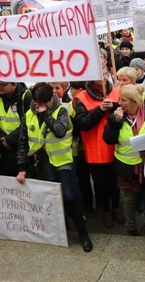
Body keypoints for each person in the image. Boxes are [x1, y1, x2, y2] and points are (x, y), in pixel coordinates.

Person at [16, 83, 92, 253]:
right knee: (46, 199)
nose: (40, 106)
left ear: (51, 99)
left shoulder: (61, 111)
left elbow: (59, 131)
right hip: (40, 163)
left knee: (70, 196)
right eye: (38, 103)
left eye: (44, 103)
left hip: (61, 161)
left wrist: (46, 116)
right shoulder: (28, 115)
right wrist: (22, 167)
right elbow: (22, 142)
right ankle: (56, 230)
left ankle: (83, 233)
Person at [74, 79, 125, 230]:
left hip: (116, 146)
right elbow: (83, 124)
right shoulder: (82, 97)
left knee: (115, 182)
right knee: (101, 184)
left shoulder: (117, 91)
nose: (101, 80)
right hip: (96, 149)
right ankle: (106, 211)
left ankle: (116, 207)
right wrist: (100, 110)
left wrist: (116, 107)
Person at [102, 84, 145, 236]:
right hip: (126, 166)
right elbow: (108, 139)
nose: (119, 103)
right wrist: (114, 122)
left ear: (134, 102)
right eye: (120, 99)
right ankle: (131, 226)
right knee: (129, 199)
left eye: (123, 100)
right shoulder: (116, 116)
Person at [0, 81, 32, 177]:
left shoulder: (26, 96)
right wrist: (2, 138)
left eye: (3, 85)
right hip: (1, 147)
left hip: (21, 148)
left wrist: (10, 139)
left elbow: (29, 122)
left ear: (14, 84)